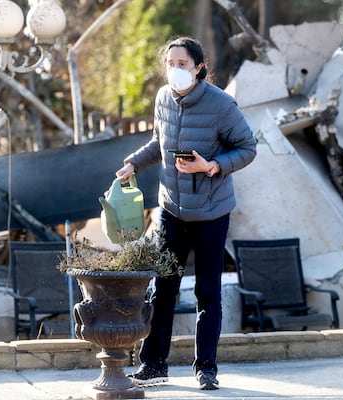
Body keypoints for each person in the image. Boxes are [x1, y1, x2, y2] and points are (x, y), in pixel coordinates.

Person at [116, 36, 257, 391]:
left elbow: (248, 147)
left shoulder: (222, 104)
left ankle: (206, 368)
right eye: (170, 64)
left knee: (208, 293)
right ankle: (153, 366)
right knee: (163, 290)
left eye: (182, 64)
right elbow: (158, 142)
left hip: (211, 212)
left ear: (198, 68)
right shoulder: (164, 98)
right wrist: (134, 162)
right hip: (171, 210)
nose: (175, 70)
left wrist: (211, 166)